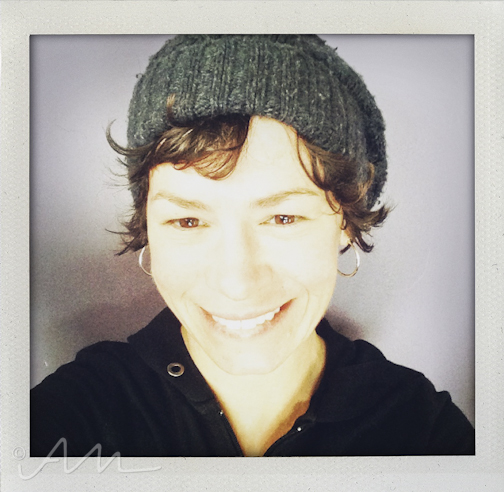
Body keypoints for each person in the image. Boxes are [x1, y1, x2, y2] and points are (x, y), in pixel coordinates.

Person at [30, 34, 474, 457]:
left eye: (283, 218)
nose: (237, 284)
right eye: (187, 221)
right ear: (149, 228)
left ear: (345, 222)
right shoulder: (67, 416)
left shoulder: (424, 433)